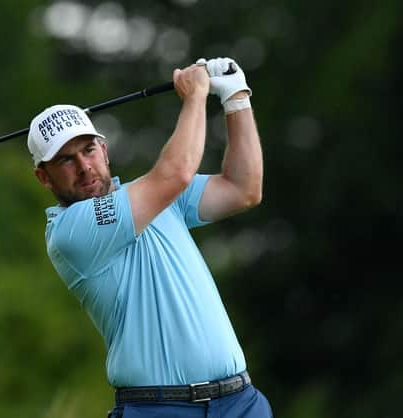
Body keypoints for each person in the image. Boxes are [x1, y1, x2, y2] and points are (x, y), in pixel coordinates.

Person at [27, 57, 272, 418]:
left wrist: (236, 97)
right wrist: (194, 96)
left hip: (240, 402)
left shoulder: (156, 199)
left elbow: (242, 189)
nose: (83, 167)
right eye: (65, 160)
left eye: (88, 150)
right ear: (44, 178)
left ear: (104, 149)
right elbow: (175, 174)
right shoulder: (69, 233)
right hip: (158, 409)